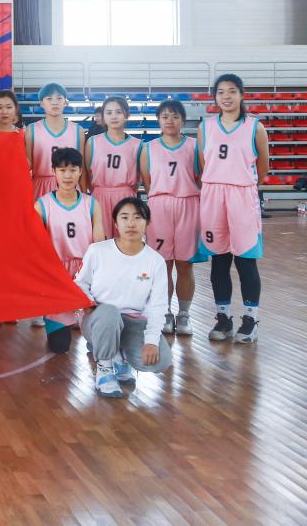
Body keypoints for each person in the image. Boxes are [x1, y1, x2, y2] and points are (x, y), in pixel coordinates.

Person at [76, 197, 173, 399]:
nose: (131, 223)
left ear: (147, 223)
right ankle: (104, 368)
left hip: (133, 322)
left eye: (138, 218)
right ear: (115, 222)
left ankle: (121, 356)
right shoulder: (98, 251)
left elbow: (157, 306)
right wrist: (88, 303)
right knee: (109, 313)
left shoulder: (155, 261)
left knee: (161, 361)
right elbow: (80, 283)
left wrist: (151, 341)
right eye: (125, 217)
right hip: (99, 318)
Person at [197, 73, 269, 344]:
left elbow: (263, 168)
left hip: (241, 194)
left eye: (231, 91)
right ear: (215, 97)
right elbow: (204, 163)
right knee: (219, 259)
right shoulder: (206, 127)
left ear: (241, 94)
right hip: (213, 194)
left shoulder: (255, 127)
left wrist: (241, 184)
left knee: (246, 259)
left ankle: (250, 321)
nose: (226, 96)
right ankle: (223, 318)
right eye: (220, 92)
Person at [34, 147, 105, 353]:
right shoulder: (42, 205)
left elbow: (99, 243)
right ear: (53, 171)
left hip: (86, 273)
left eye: (73, 170)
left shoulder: (91, 204)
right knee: (59, 346)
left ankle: (90, 326)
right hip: (56, 276)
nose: (68, 176)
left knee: (99, 343)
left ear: (80, 172)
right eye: (62, 170)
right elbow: (36, 248)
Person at [140, 100, 200, 336]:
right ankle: (164, 312)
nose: (170, 121)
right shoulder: (149, 148)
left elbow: (200, 177)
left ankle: (184, 314)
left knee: (185, 264)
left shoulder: (194, 146)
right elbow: (147, 181)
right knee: (162, 264)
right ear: (158, 120)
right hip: (160, 207)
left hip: (188, 204)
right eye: (165, 116)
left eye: (175, 116)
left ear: (182, 120)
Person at [85, 96, 141, 239]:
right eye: (109, 112)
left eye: (118, 112)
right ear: (103, 116)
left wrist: (126, 190)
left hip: (126, 197)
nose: (114, 116)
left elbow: (140, 177)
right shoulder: (92, 142)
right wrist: (98, 190)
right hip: (99, 196)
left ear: (126, 114)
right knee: (101, 243)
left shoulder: (138, 145)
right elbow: (86, 174)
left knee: (126, 242)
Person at [25, 83, 85, 200]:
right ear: (41, 103)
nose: (54, 102)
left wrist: (84, 194)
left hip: (70, 186)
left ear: (65, 102)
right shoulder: (32, 129)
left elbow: (82, 168)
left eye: (59, 98)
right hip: (40, 186)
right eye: (49, 98)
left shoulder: (78, 130)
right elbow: (27, 165)